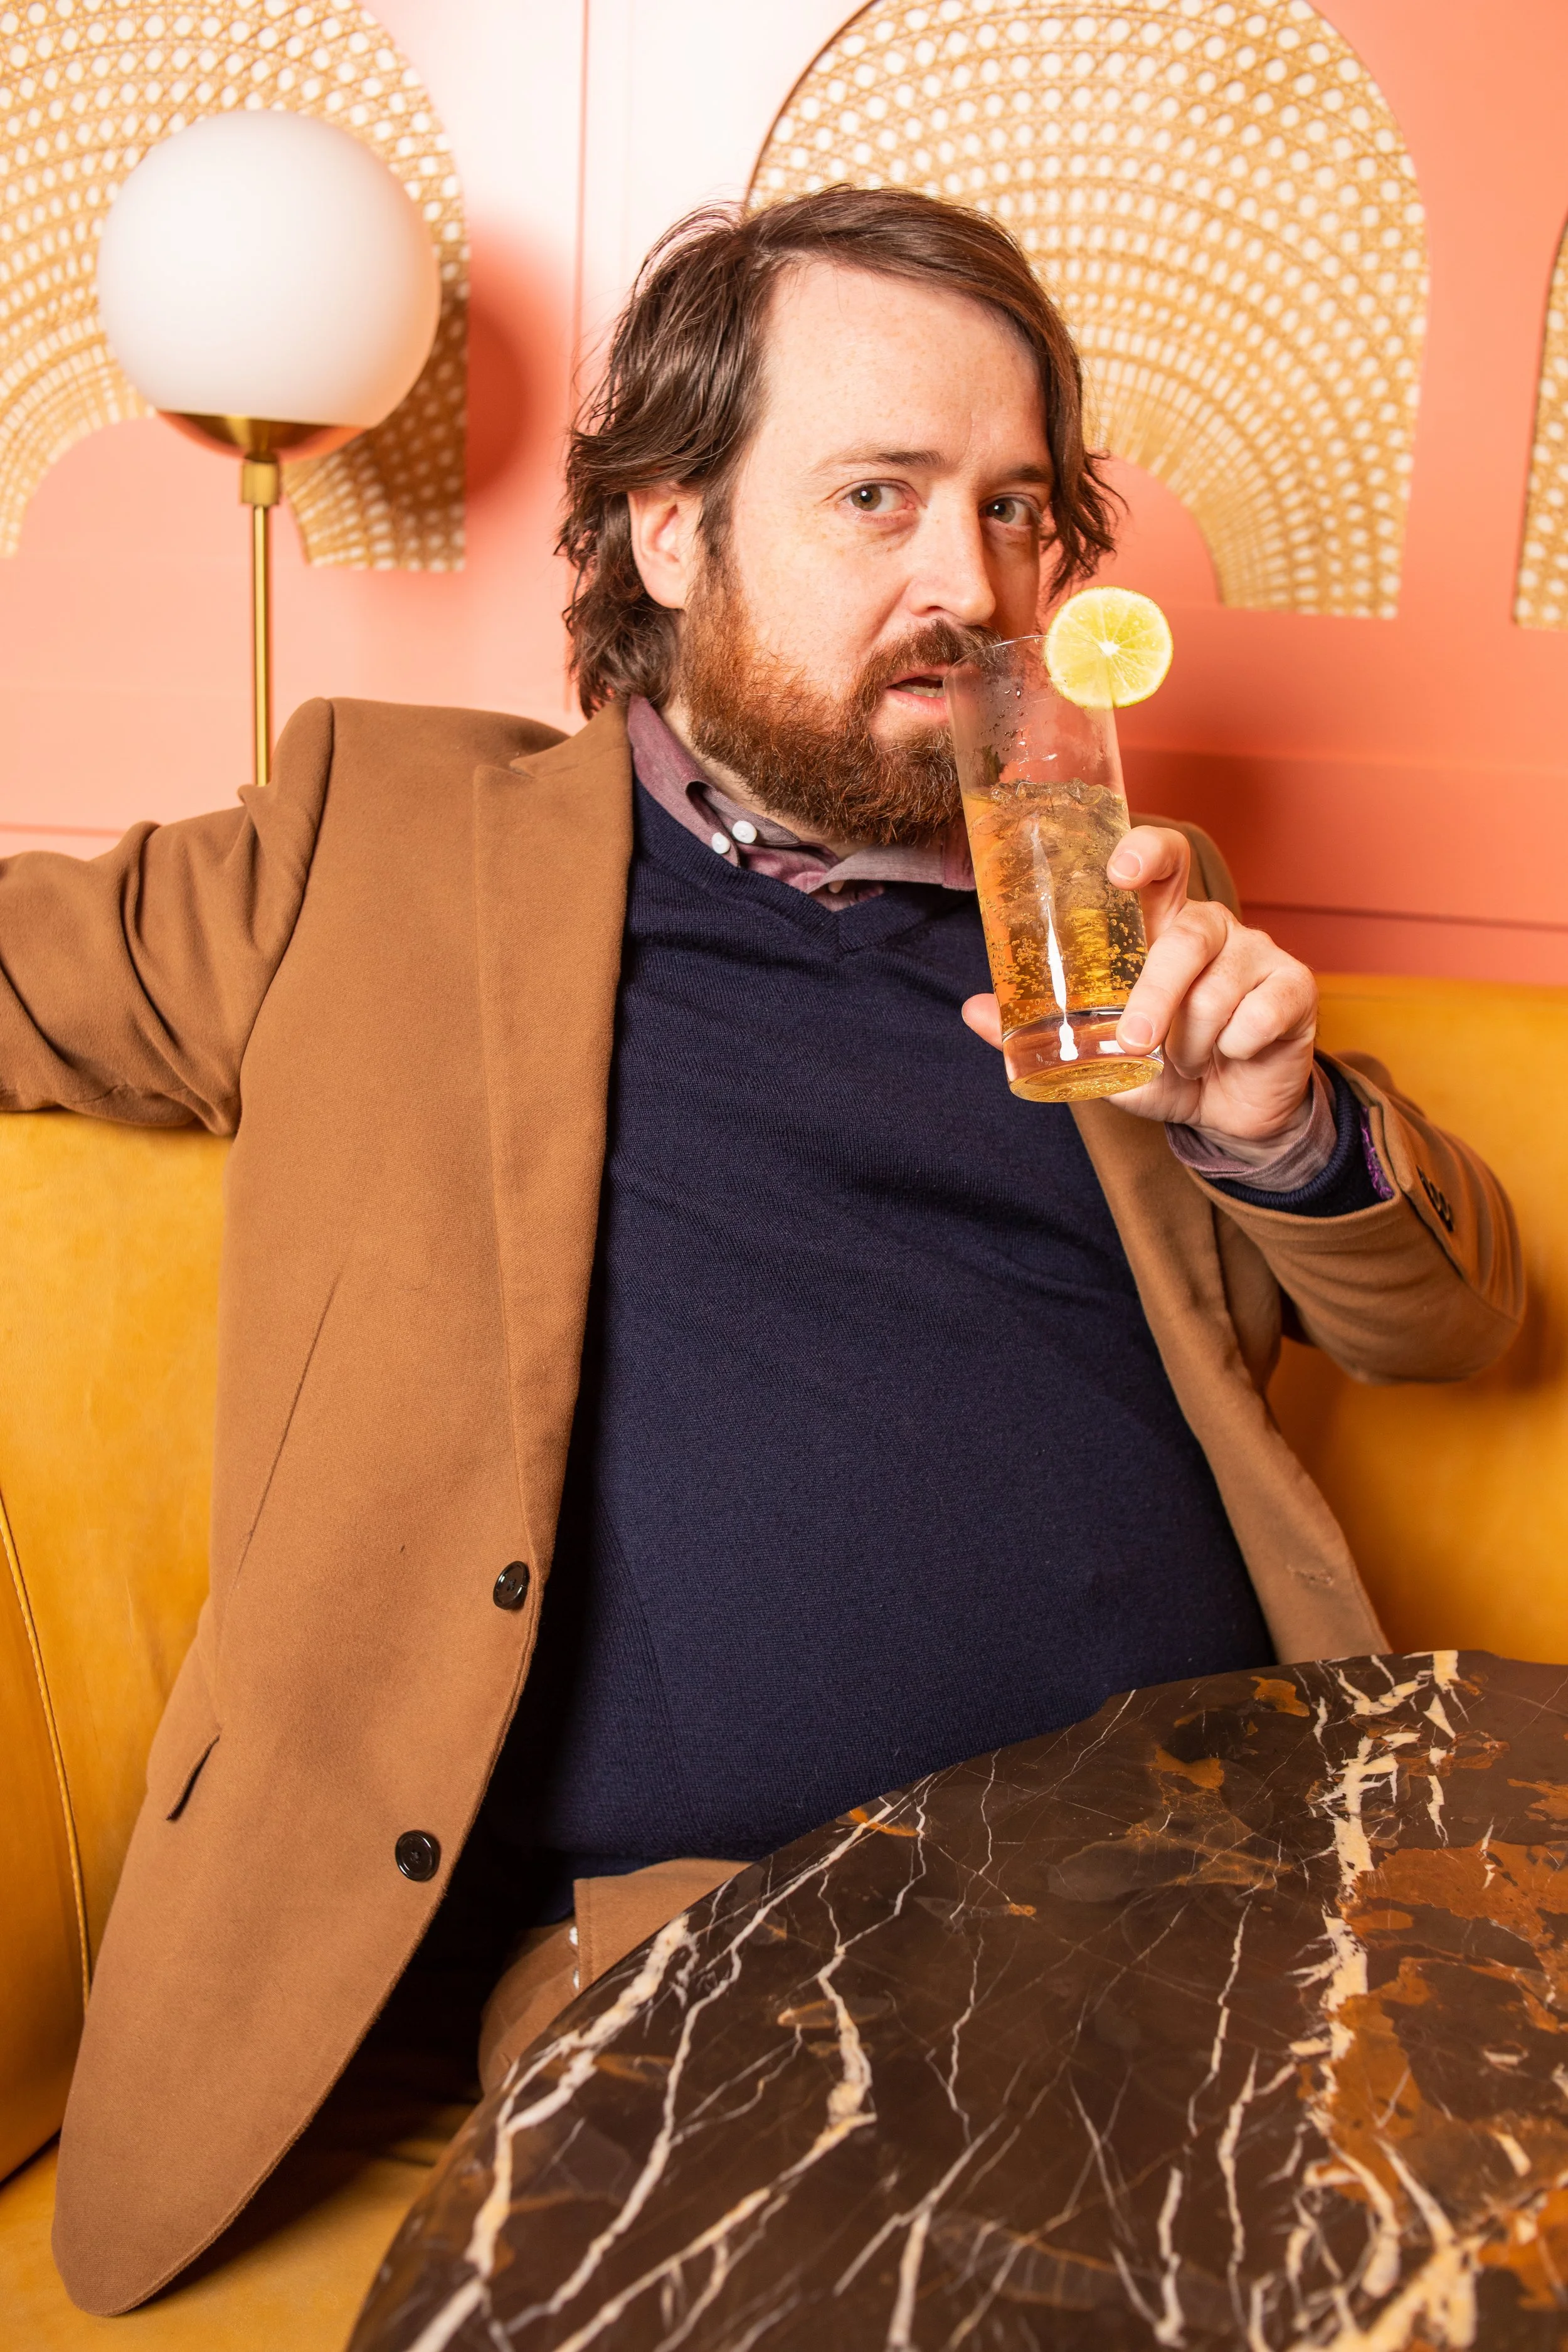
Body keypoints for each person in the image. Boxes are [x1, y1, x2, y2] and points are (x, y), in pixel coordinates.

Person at [19, 189, 1517, 2316]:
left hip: (1220, 1872)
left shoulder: (1103, 916)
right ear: (665, 529)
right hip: (725, 1936)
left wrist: (1276, 1123)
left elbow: (1458, 1316)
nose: (964, 584)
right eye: (877, 495)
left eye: (1012, 512)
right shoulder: (376, 841)